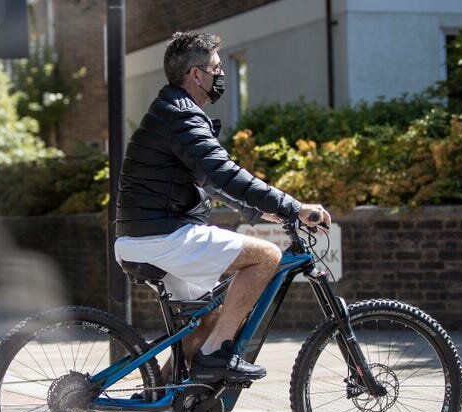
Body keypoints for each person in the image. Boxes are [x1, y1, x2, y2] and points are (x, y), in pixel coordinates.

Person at [115, 31, 330, 385]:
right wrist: (293, 207)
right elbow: (223, 172)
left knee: (208, 318)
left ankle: (155, 405)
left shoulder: (174, 111)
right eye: (216, 68)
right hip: (162, 235)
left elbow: (209, 179)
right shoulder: (182, 116)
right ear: (195, 74)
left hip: (149, 234)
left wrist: (256, 211)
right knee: (265, 257)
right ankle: (218, 354)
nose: (221, 76)